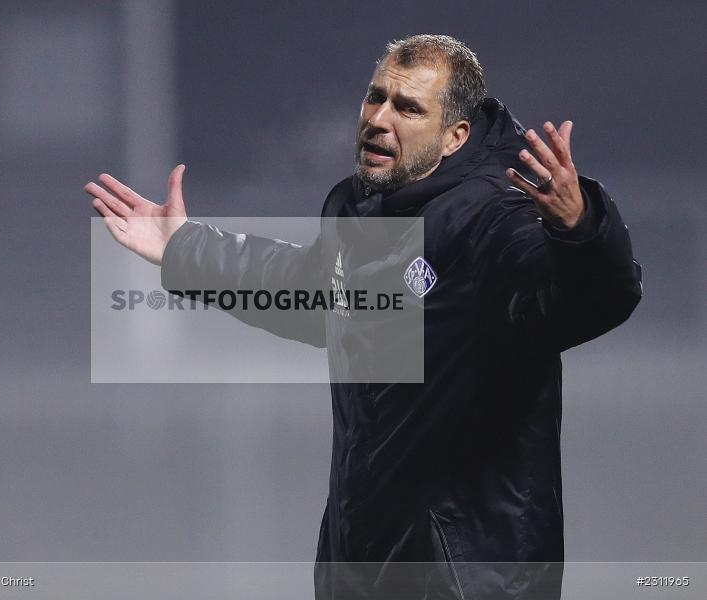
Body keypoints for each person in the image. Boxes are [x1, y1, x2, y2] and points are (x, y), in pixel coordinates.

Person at [85, 34, 642, 599]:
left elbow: (595, 301)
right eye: (375, 98)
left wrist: (580, 230)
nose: (379, 118)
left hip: (469, 576)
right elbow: (311, 292)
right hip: (365, 561)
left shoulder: (494, 221)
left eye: (407, 108)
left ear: (456, 136)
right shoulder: (362, 209)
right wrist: (186, 248)